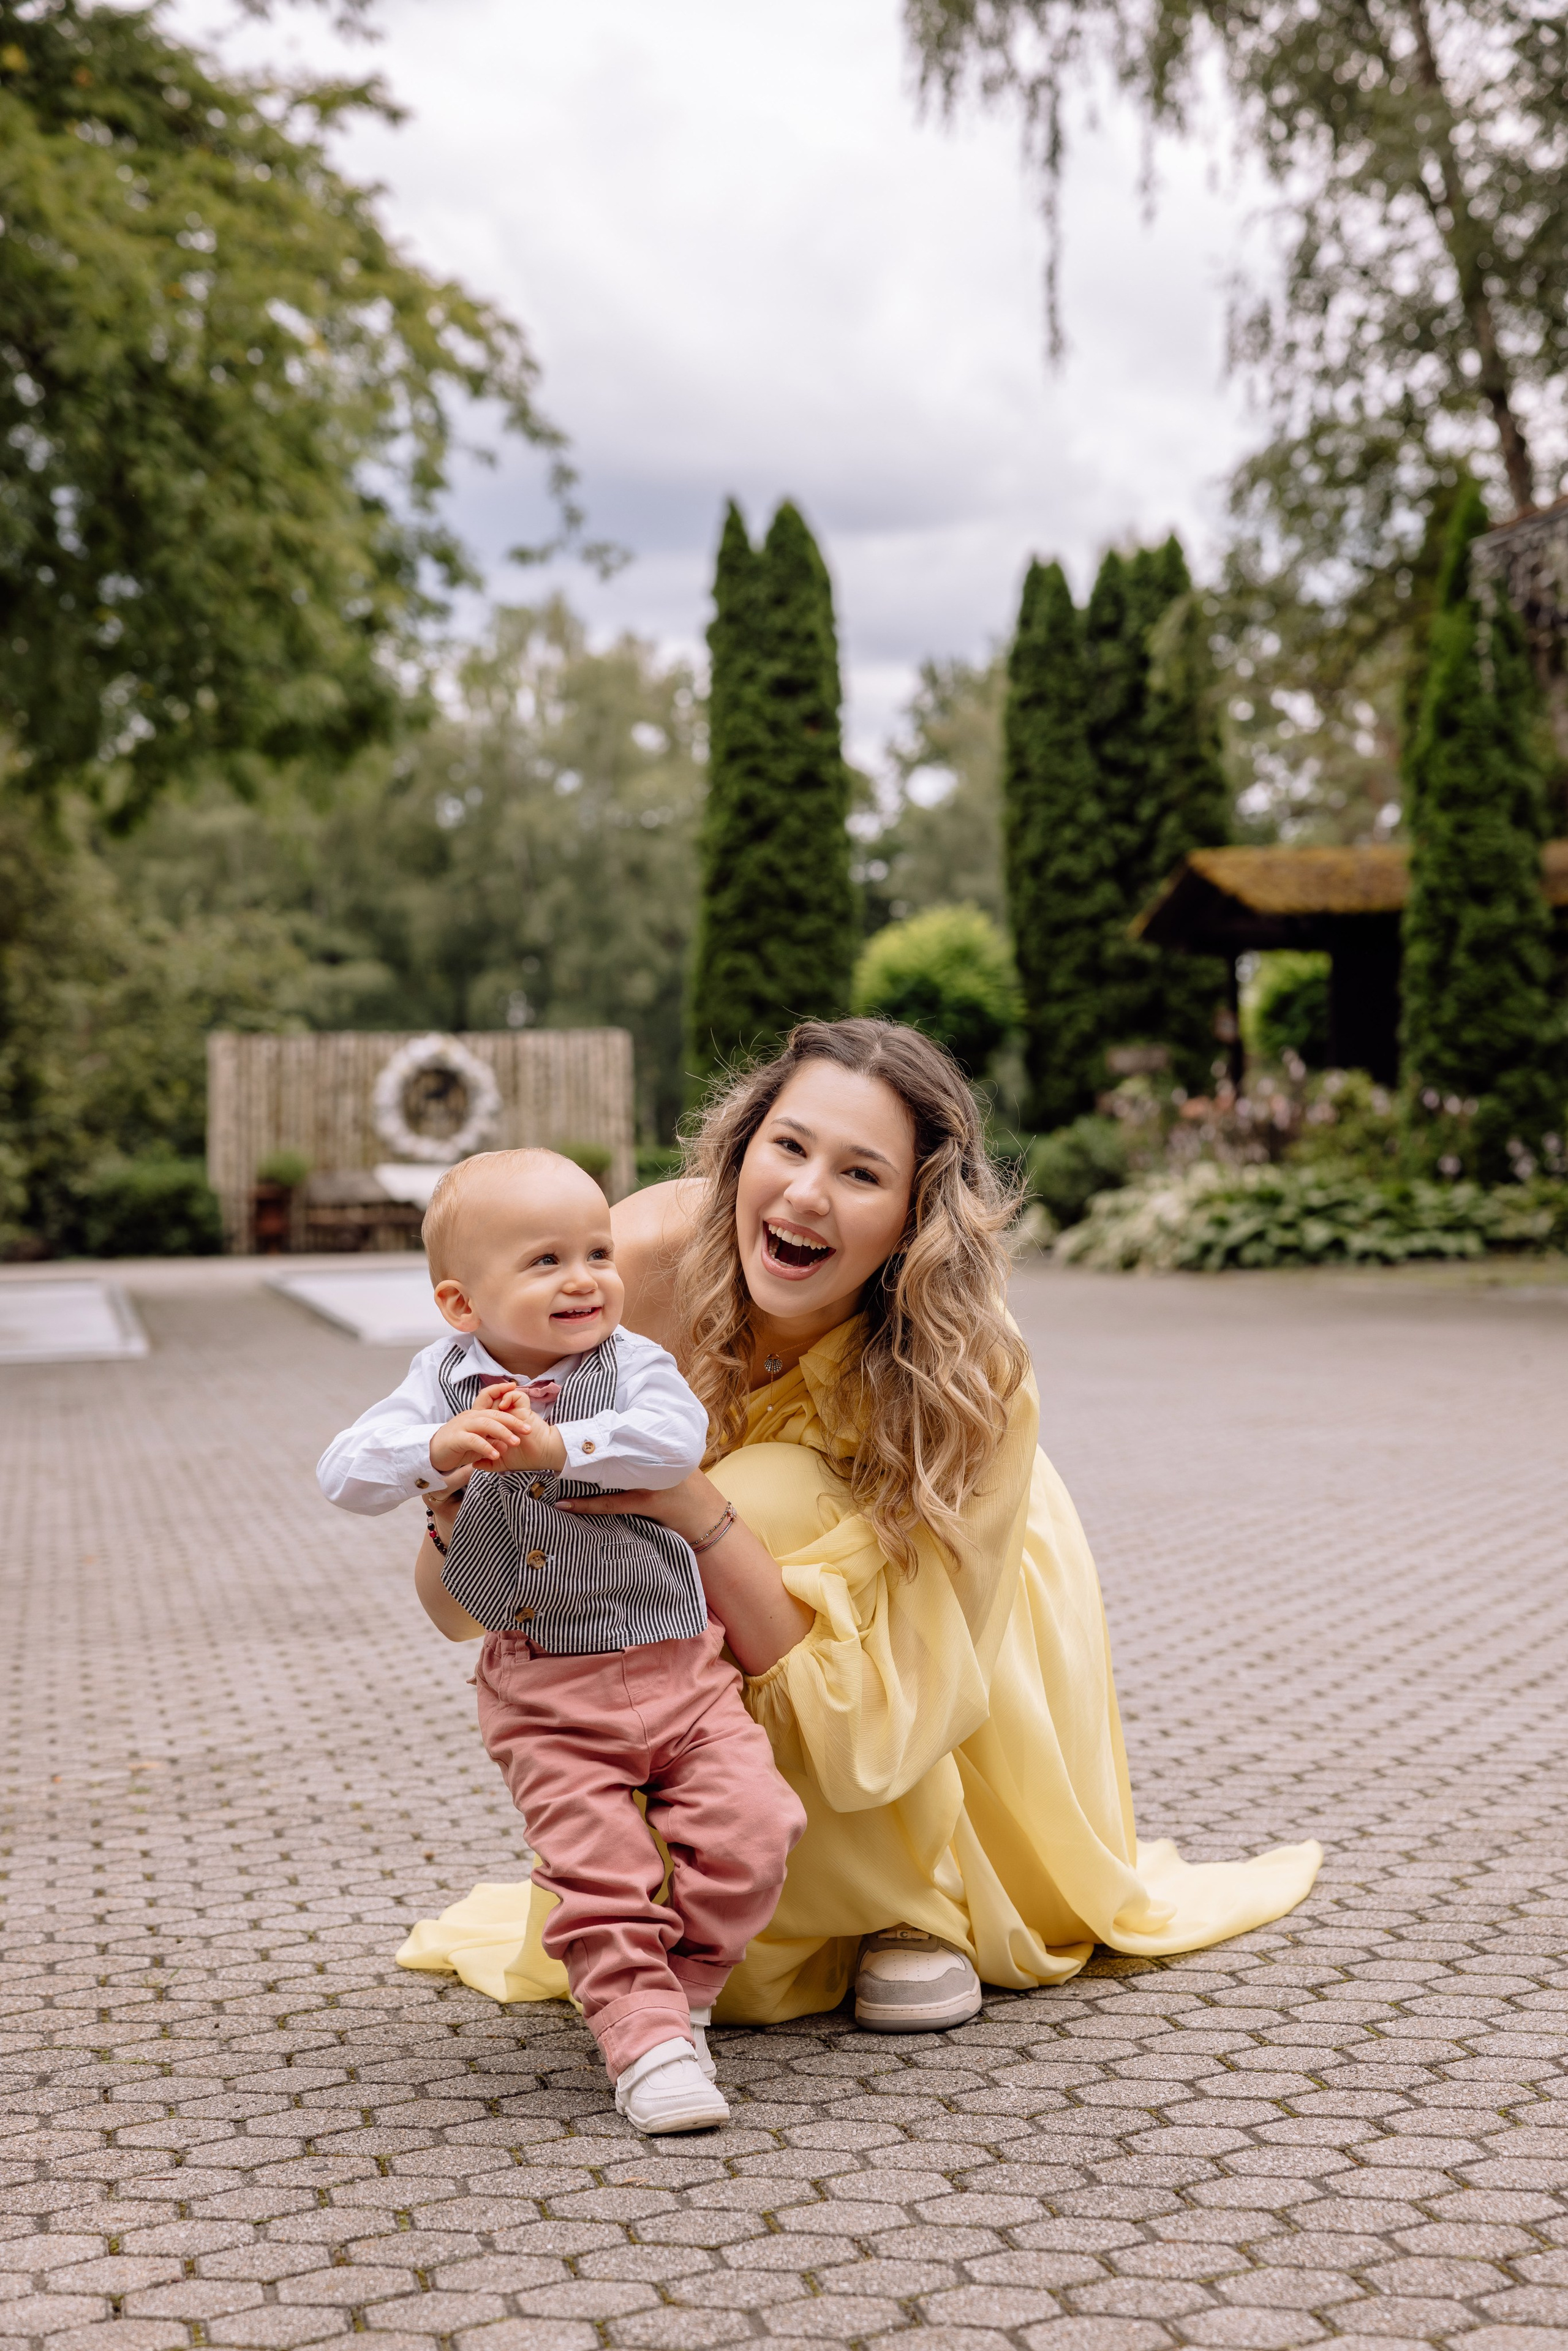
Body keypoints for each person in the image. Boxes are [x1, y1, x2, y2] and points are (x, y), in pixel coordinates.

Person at [398, 1023, 1321, 2040]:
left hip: (951, 1586)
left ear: (914, 1217)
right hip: (708, 1605)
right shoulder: (621, 1275)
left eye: (861, 1172)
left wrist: (693, 1506)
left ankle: (913, 1904)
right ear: (741, 1152)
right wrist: (462, 1502)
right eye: (787, 1147)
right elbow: (459, 1612)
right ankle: (711, 1871)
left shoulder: (976, 1375)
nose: (804, 1195)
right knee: (718, 1518)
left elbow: (901, 1704)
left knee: (764, 1489)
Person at [319, 1148, 806, 2132]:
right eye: (545, 1261)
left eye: (597, 1251)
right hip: (547, 1686)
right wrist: (436, 1449)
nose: (585, 1279)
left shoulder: (636, 1366)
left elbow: (674, 1443)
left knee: (757, 1831)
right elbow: (342, 1471)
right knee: (601, 1871)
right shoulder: (441, 1381)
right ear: (463, 1303)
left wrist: (560, 1446)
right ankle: (643, 2038)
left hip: (680, 1664)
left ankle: (688, 1986)